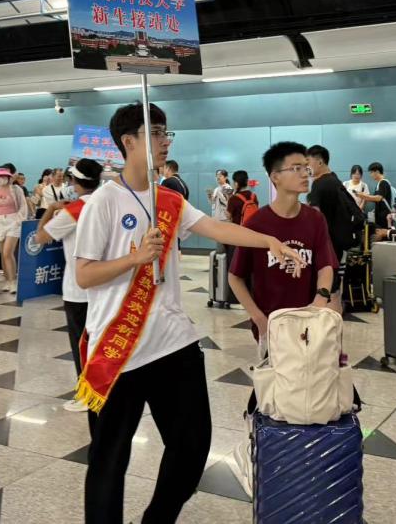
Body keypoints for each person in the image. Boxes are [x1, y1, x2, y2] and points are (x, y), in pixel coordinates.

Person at [73, 103, 305, 524]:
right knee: (110, 459)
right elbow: (84, 274)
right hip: (119, 349)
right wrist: (135, 259)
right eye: (156, 133)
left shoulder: (169, 199)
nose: (165, 141)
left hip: (173, 342)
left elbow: (216, 228)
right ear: (128, 142)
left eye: (167, 133)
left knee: (193, 446)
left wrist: (268, 241)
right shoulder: (103, 202)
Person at [229, 141, 339, 411]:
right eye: (296, 168)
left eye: (306, 168)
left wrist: (320, 300)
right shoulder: (257, 223)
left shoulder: (314, 219)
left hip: (309, 320)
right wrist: (258, 318)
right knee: (277, 394)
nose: (305, 174)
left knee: (312, 393)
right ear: (275, 176)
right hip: (272, 325)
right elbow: (235, 277)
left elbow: (326, 266)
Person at [35, 159, 103, 413]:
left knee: (81, 344)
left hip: (78, 290)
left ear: (75, 182)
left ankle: (87, 395)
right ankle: (105, 390)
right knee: (102, 342)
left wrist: (51, 209)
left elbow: (41, 237)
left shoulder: (74, 210)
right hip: (106, 285)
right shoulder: (107, 204)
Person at [0, 168, 27, 292]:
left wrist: (19, 219)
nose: (1, 179)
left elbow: (23, 205)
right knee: (3, 254)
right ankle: (7, 280)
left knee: (8, 252)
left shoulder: (16, 189)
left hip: (13, 221)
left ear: (9, 178)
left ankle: (13, 282)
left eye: (3, 176)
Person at [305, 145, 344, 247]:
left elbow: (315, 214)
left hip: (325, 239)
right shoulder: (336, 179)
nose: (306, 166)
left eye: (308, 162)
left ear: (320, 163)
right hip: (338, 238)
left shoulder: (318, 183)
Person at [226, 170, 259, 267]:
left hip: (237, 235)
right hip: (252, 233)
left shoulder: (233, 198)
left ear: (236, 184)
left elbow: (228, 216)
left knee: (234, 262)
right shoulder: (253, 196)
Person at [358, 162, 394, 231]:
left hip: (385, 217)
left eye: (371, 172)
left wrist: (363, 196)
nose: (371, 175)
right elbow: (375, 199)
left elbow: (378, 198)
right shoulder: (379, 184)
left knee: (384, 235)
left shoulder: (383, 183)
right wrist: (363, 196)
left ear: (377, 172)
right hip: (380, 216)